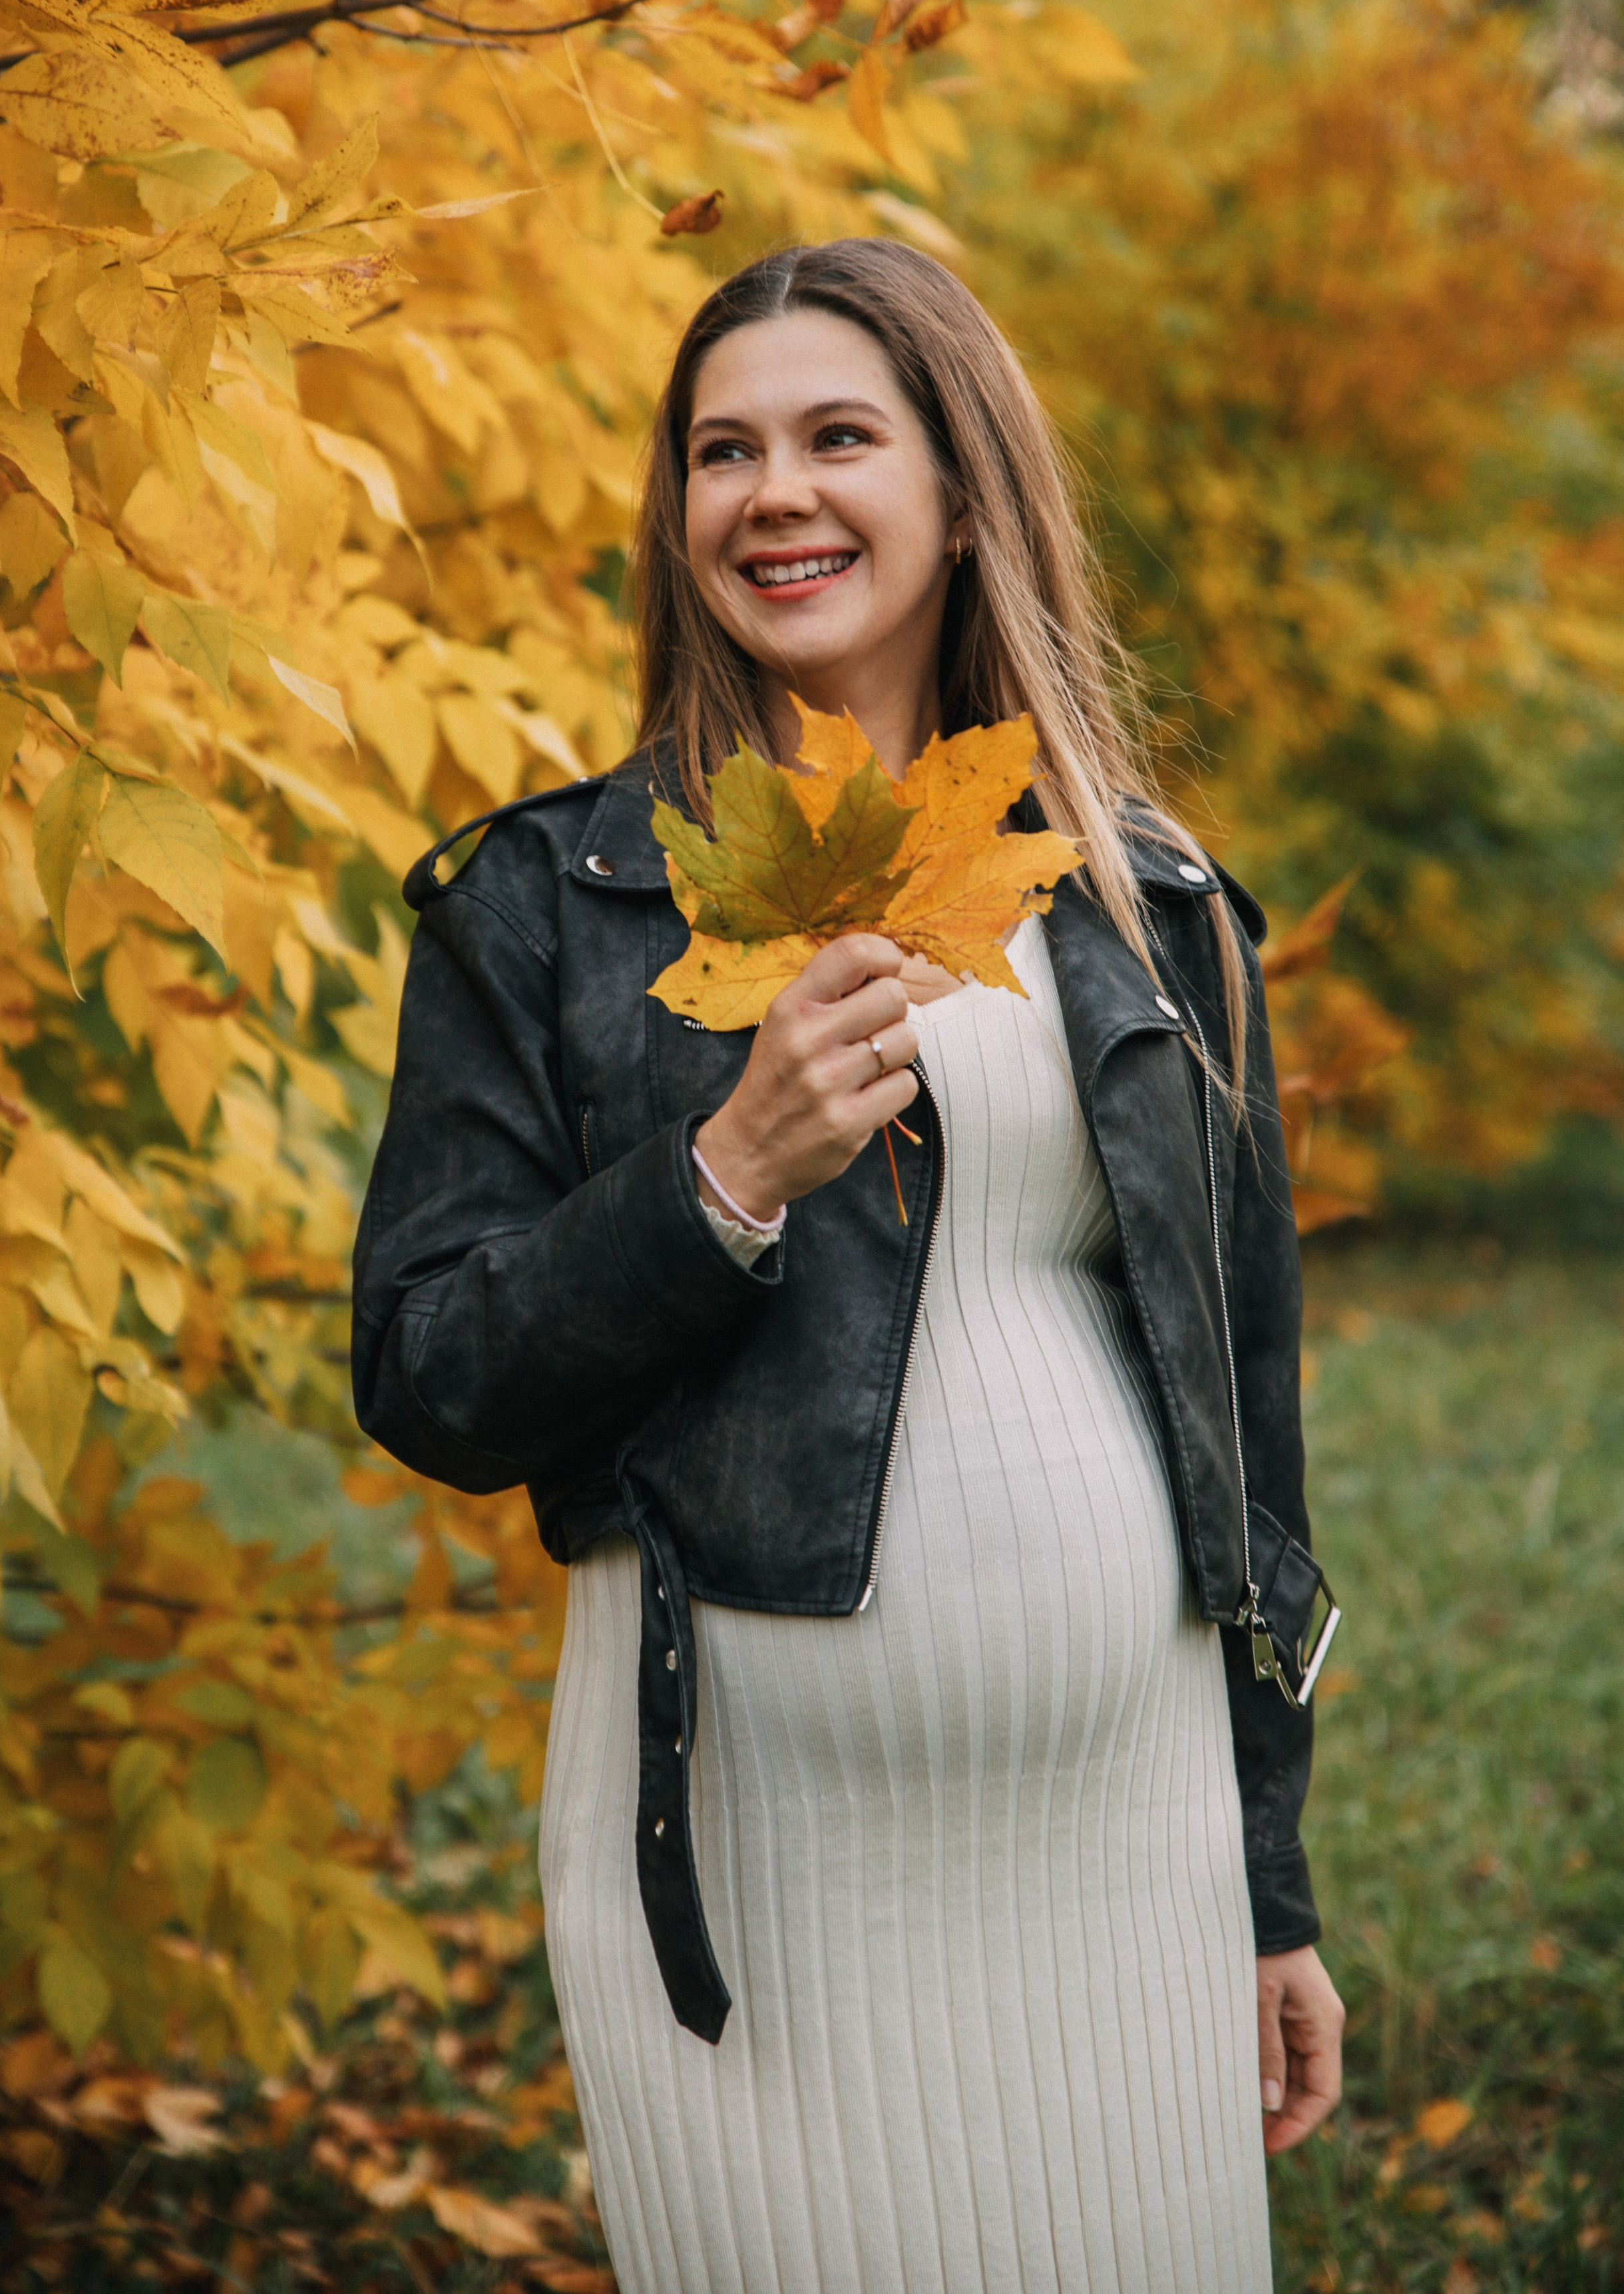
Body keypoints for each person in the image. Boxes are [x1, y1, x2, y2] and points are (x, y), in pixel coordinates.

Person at [352, 238, 1345, 2294]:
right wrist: (723, 1175)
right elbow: (431, 1372)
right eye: (722, 452)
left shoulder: (1144, 897)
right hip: (771, 1867)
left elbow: (1251, 1430)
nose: (772, 493)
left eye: (835, 437)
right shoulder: (551, 903)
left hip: (1134, 1831)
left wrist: (1271, 1885)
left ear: (964, 491)